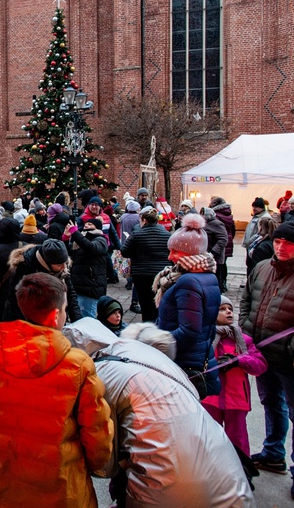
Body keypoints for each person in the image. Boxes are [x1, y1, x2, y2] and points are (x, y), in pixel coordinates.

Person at [64, 318, 256, 508]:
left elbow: (104, 461)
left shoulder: (99, 375)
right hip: (230, 481)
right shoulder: (143, 355)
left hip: (166, 491)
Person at [0, 273, 113, 507]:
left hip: (1, 480)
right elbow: (98, 437)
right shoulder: (77, 364)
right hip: (59, 487)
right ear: (56, 314)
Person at [239, 219, 294, 503]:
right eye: (277, 241)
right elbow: (247, 298)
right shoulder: (263, 268)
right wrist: (246, 330)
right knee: (271, 404)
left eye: (288, 243)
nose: (281, 247)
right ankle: (274, 452)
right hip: (262, 355)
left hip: (292, 362)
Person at [154, 213, 221, 398]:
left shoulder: (188, 281)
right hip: (197, 355)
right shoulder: (207, 275)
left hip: (185, 361)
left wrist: (155, 342)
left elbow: (189, 331)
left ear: (191, 252)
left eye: (175, 251)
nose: (170, 256)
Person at [201, 296, 268, 455]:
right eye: (222, 309)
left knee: (238, 440)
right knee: (210, 437)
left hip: (236, 399)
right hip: (210, 398)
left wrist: (238, 360)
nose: (228, 312)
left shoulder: (242, 339)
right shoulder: (205, 337)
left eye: (230, 309)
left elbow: (260, 365)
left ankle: (242, 471)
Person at [3, 239, 83, 324]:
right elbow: (15, 302)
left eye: (65, 262)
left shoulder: (62, 270)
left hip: (54, 318)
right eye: (59, 264)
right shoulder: (25, 268)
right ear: (47, 263)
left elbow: (70, 295)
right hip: (29, 322)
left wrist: (77, 322)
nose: (64, 267)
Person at [120, 207, 171, 321]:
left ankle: (147, 326)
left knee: (145, 303)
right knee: (158, 302)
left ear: (144, 220)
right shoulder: (167, 235)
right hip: (160, 273)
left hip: (141, 274)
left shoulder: (137, 234)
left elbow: (125, 251)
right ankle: (157, 324)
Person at [63, 217, 109, 318]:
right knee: (77, 317)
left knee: (87, 317)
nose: (86, 225)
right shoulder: (79, 240)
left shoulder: (101, 239)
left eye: (90, 224)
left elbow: (90, 247)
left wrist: (75, 233)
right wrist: (66, 238)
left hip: (91, 286)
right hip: (77, 285)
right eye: (86, 223)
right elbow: (68, 253)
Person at [210, 196, 236, 292]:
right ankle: (223, 284)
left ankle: (219, 284)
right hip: (228, 241)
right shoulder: (228, 214)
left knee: (218, 265)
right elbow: (233, 229)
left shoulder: (216, 215)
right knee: (223, 264)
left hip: (219, 243)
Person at [201, 207, 228, 287]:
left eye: (203, 214)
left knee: (215, 278)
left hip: (215, 256)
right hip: (206, 255)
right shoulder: (204, 224)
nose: (201, 215)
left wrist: (213, 252)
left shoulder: (217, 224)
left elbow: (223, 239)